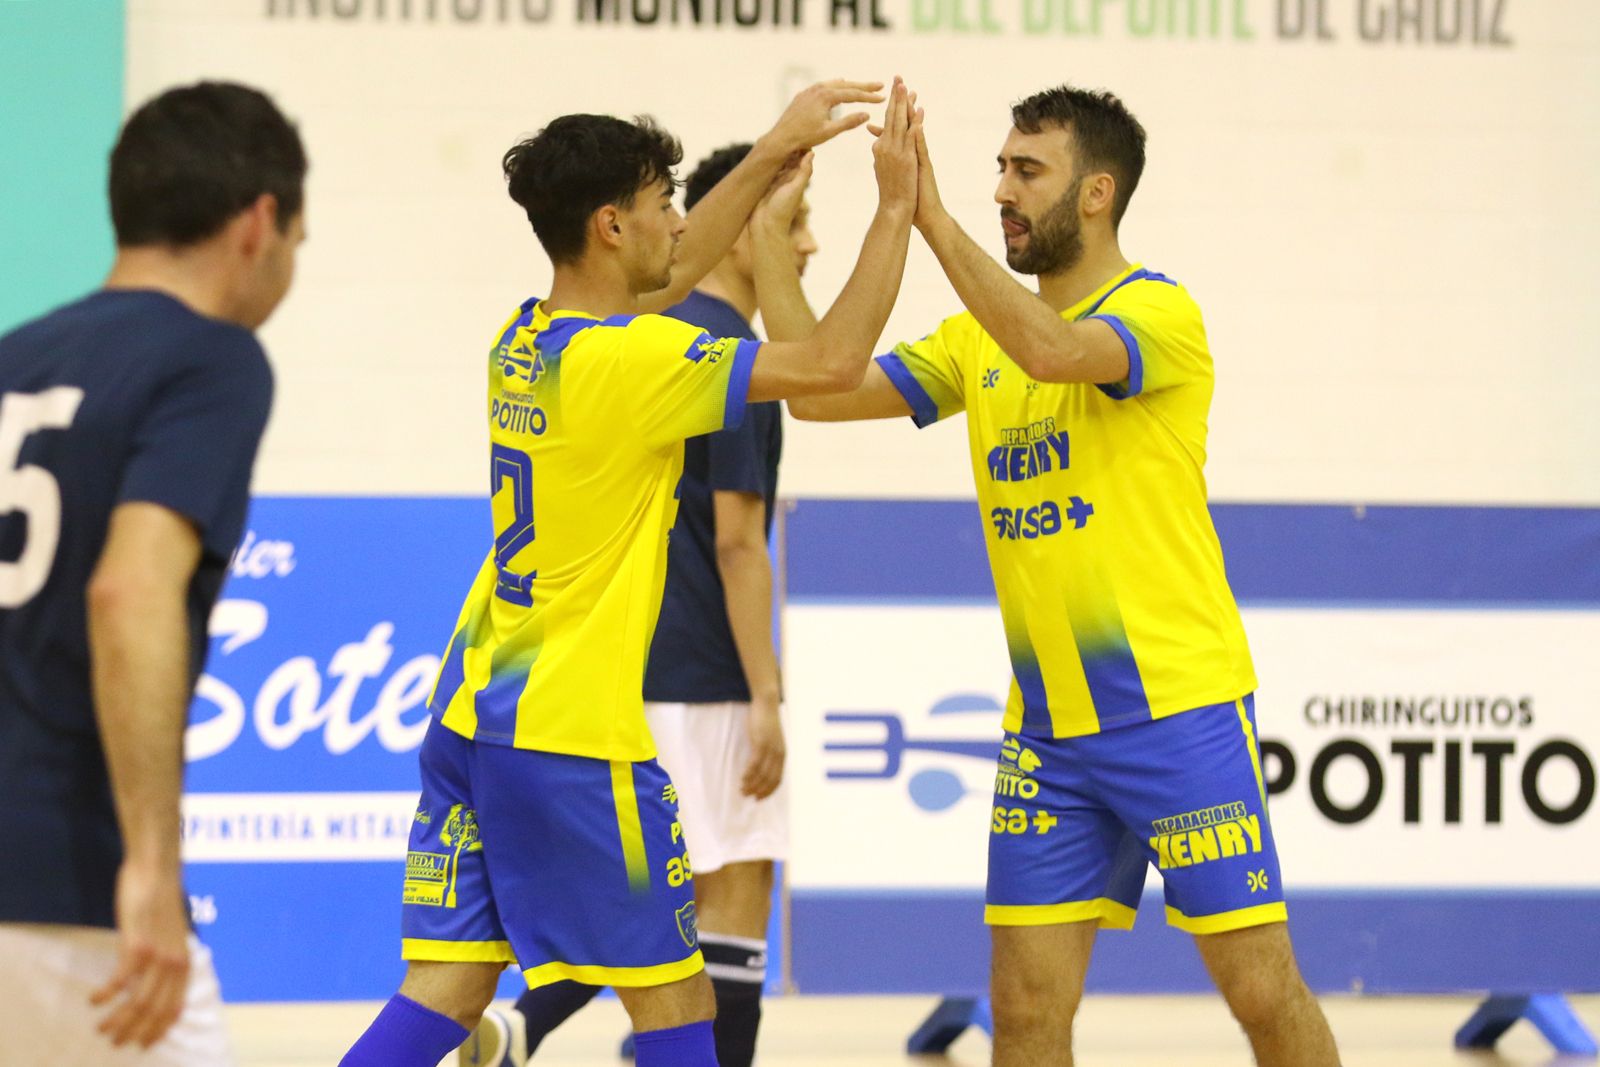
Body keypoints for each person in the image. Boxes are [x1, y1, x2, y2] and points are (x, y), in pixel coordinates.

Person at [339, 78, 921, 1067]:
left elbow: (673, 266)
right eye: (662, 205)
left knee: (448, 984)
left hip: (472, 711)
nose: (679, 227)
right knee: (676, 996)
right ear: (612, 223)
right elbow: (826, 362)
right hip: (571, 734)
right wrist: (898, 208)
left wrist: (775, 142)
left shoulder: (521, 338)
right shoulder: (641, 361)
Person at [768, 85, 1343, 1067]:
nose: (1002, 187)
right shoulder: (971, 344)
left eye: (1025, 171)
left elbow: (1052, 348)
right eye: (998, 166)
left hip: (1178, 711)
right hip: (1046, 731)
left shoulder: (1157, 312)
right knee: (1026, 1009)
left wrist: (927, 215)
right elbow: (817, 389)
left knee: (1259, 989)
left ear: (1095, 193)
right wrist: (772, 244)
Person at [463, 142, 816, 1067]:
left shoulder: (543, 332)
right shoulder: (695, 357)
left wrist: (775, 148)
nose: (809, 242)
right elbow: (741, 541)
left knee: (639, 920)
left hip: (543, 686)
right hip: (680, 677)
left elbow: (679, 261)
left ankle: (521, 1025)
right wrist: (766, 693)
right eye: (799, 222)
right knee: (715, 925)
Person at [0, 82, 306, 1064]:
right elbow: (129, 590)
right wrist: (151, 864)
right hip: (62, 880)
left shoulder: (14, 355)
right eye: (302, 237)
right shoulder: (212, 359)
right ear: (260, 221)